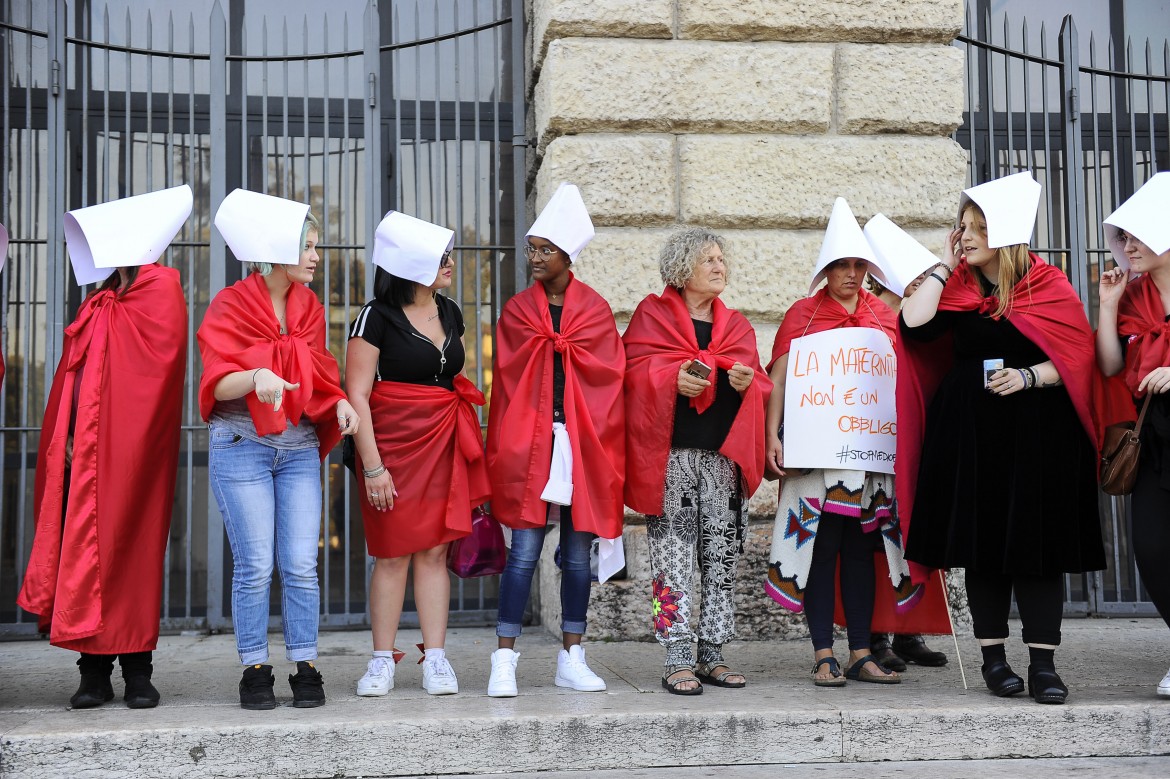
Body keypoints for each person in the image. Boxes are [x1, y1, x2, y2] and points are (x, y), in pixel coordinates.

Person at [899, 172, 1106, 705]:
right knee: (981, 546)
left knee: (1039, 549)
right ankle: (995, 661)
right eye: (962, 226)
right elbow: (914, 326)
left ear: (1006, 235)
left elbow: (1078, 357)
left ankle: (1043, 666)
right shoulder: (958, 286)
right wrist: (943, 265)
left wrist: (1030, 376)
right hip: (970, 434)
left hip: (1039, 432)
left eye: (977, 227)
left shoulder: (1048, 284)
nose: (965, 235)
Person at [18, 186, 191, 708]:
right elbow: (74, 379)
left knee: (132, 550)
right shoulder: (97, 300)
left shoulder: (162, 291)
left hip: (137, 454)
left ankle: (138, 669)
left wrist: (115, 439)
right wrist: (69, 437)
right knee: (89, 553)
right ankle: (92, 671)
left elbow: (158, 373)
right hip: (86, 455)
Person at [199, 189, 357, 710]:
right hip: (241, 443)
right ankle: (254, 668)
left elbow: (317, 374)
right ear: (278, 250)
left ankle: (306, 666)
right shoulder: (230, 303)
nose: (316, 256)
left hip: (296, 450)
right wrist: (255, 375)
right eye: (308, 247)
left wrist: (337, 405)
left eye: (317, 246)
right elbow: (216, 386)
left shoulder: (308, 306)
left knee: (300, 564)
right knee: (255, 567)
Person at [485, 183, 626, 697]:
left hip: (584, 442)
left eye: (547, 250)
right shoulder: (519, 310)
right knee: (523, 552)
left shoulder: (595, 310)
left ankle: (573, 655)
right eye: (532, 248)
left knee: (575, 554)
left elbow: (611, 378)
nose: (536, 258)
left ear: (569, 255)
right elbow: (507, 379)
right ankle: (505, 658)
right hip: (532, 442)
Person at [346, 211, 490, 697]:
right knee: (391, 555)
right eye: (440, 257)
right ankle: (382, 660)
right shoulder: (374, 316)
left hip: (443, 439)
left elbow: (448, 379)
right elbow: (357, 394)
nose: (450, 263)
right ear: (410, 264)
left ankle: (437, 659)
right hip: (390, 446)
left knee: (434, 551)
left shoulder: (450, 311)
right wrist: (373, 467)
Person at [623, 226, 770, 695]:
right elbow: (631, 374)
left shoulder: (739, 325)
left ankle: (713, 653)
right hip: (674, 461)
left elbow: (764, 385)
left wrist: (749, 384)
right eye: (708, 259)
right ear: (682, 268)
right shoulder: (652, 316)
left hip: (721, 463)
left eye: (722, 260)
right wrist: (670, 380)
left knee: (722, 558)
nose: (719, 266)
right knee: (672, 558)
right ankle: (677, 656)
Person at [764, 198, 903, 687]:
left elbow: (897, 383)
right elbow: (778, 380)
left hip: (868, 460)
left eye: (857, 264)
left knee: (862, 548)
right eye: (840, 265)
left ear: (868, 268)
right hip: (813, 458)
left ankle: (861, 651)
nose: (850, 273)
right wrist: (770, 438)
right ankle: (823, 652)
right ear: (826, 270)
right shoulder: (801, 316)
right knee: (819, 547)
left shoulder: (885, 318)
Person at [860, 214, 951, 673]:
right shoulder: (868, 317)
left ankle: (909, 632)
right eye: (913, 278)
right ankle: (876, 636)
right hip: (876, 446)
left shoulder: (926, 316)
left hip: (919, 442)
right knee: (878, 539)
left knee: (917, 534)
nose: (921, 282)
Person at [1096, 172, 1170, 698]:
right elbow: (1108, 363)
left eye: (1137, 235)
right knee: (1151, 547)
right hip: (1153, 438)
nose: (1128, 247)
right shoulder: (1132, 295)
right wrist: (1105, 303)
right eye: (1123, 237)